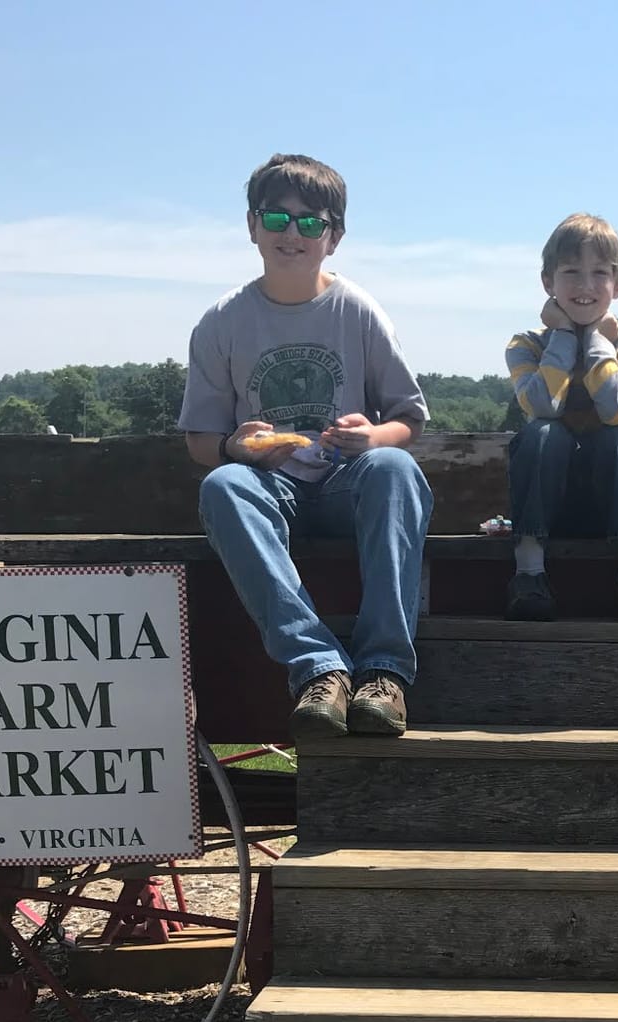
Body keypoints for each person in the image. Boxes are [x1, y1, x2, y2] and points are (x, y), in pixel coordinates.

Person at [180, 153, 433, 738]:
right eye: (276, 218)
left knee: (394, 467)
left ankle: (384, 673)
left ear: (334, 237)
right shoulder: (222, 321)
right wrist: (235, 450)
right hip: (270, 486)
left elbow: (408, 420)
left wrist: (372, 437)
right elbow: (200, 441)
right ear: (252, 226)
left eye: (310, 222)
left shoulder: (358, 310)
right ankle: (320, 669)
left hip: (348, 484)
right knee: (223, 485)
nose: (291, 232)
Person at [501, 214, 618, 622]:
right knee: (542, 433)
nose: (585, 286)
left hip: (612, 505)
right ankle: (529, 574)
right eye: (571, 272)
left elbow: (617, 409)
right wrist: (562, 336)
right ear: (548, 282)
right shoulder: (525, 345)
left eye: (600, 273)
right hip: (546, 506)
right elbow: (542, 405)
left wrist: (597, 342)